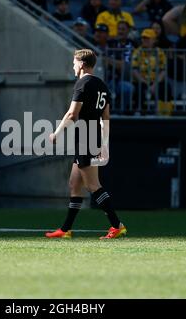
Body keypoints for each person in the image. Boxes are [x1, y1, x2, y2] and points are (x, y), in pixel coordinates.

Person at [46, 49, 127, 239]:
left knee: (92, 185)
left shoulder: (82, 83)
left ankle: (117, 225)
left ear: (82, 64)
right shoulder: (102, 85)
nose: (73, 66)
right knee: (75, 183)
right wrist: (104, 144)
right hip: (93, 136)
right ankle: (65, 230)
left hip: (86, 137)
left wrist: (56, 133)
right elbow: (105, 118)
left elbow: (72, 114)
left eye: (74, 62)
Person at [131, 29, 172, 114]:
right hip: (141, 81)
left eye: (148, 38)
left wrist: (155, 84)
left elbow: (163, 70)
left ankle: (164, 113)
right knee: (139, 88)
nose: (144, 40)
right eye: (143, 38)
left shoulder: (159, 52)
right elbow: (134, 70)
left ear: (154, 40)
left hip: (156, 81)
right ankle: (140, 112)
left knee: (166, 87)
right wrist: (145, 83)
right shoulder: (137, 52)